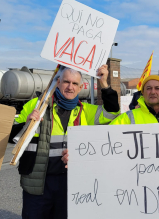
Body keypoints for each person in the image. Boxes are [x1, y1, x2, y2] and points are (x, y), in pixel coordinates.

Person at [14, 65, 119, 219]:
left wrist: (103, 83)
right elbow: (12, 135)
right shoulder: (37, 105)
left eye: (75, 83)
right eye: (66, 82)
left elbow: (112, 113)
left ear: (81, 87)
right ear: (58, 82)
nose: (70, 87)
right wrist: (27, 124)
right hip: (38, 184)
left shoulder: (86, 111)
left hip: (71, 183)